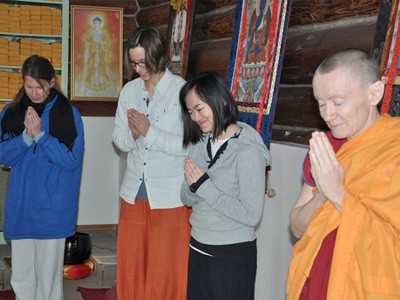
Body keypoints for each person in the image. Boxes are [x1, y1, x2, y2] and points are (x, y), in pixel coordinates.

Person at [287, 48, 400, 299]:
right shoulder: (326, 148)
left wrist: (338, 192)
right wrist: (322, 194)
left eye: (338, 102)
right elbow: (296, 227)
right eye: (321, 103)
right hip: (316, 284)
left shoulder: (395, 147)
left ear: (374, 93)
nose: (327, 115)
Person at [111, 26, 191, 300]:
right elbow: (119, 140)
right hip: (133, 193)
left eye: (143, 63)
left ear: (158, 56)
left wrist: (150, 132)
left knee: (165, 270)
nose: (138, 70)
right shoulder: (129, 91)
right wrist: (133, 133)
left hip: (170, 197)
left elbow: (188, 145)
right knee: (131, 267)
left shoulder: (181, 90)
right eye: (133, 63)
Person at [179, 71, 271, 300]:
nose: (195, 117)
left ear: (219, 100)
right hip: (198, 244)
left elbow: (251, 215)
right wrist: (194, 187)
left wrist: (204, 186)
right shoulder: (201, 142)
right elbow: (186, 197)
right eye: (190, 112)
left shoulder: (248, 151)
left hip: (232, 252)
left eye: (199, 109)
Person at [0, 55, 84, 299]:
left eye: (40, 87)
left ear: (51, 82)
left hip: (54, 207)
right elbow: (4, 156)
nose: (34, 93)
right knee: (22, 276)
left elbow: (71, 161)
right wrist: (25, 139)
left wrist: (41, 137)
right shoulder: (12, 112)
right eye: (29, 87)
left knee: (48, 279)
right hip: (22, 204)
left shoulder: (70, 114)